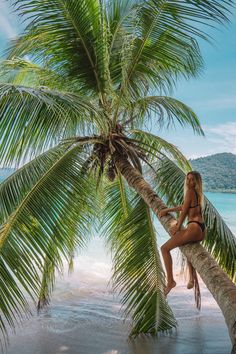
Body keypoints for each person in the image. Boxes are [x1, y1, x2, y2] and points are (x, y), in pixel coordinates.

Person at [158, 171, 206, 296]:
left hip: (194, 228)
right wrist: (168, 210)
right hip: (201, 229)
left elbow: (184, 212)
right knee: (187, 246)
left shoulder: (190, 192)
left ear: (197, 181)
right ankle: (191, 278)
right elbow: (184, 207)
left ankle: (170, 281)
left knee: (164, 249)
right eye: (188, 179)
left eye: (192, 180)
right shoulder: (198, 193)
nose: (189, 182)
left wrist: (178, 226)